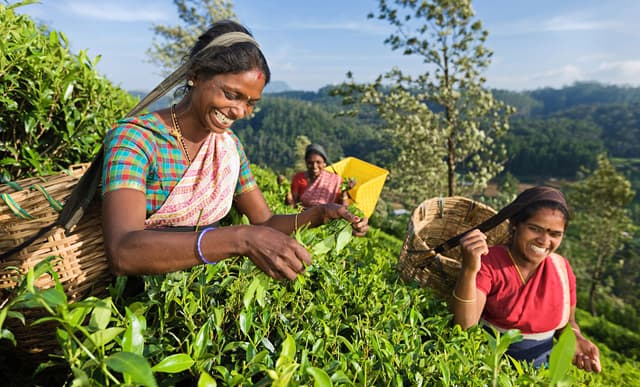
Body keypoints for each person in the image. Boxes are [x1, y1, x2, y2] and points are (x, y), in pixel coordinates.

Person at [101, 20, 368, 281]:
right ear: (195, 75)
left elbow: (264, 221)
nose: (240, 112)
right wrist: (240, 238)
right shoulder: (137, 139)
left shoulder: (228, 148)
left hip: (195, 297)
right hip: (130, 301)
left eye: (251, 103)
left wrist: (320, 214)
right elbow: (123, 251)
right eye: (231, 95)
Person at [451, 186, 601, 372]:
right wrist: (469, 269)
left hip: (540, 374)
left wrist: (575, 338)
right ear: (515, 225)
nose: (544, 240)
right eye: (535, 229)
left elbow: (567, 323)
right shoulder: (490, 262)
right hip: (490, 370)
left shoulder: (561, 268)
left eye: (555, 234)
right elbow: (465, 326)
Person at [287, 143, 349, 208]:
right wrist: (286, 192)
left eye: (318, 162)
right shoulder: (299, 178)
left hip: (329, 217)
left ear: (324, 163)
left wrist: (344, 191)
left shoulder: (335, 180)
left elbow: (344, 207)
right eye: (310, 163)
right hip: (303, 216)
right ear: (306, 162)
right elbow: (293, 204)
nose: (314, 166)